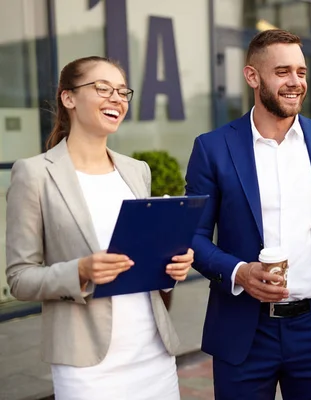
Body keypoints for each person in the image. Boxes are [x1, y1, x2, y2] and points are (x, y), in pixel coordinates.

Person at [185, 29, 311, 399]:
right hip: (243, 331)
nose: (295, 82)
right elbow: (193, 237)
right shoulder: (212, 148)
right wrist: (239, 272)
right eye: (283, 71)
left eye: (301, 72)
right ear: (253, 76)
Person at [5, 56, 193, 400]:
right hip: (86, 364)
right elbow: (19, 278)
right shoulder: (33, 174)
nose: (117, 99)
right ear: (69, 98)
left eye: (123, 92)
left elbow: (145, 257)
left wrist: (174, 262)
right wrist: (80, 271)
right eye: (103, 89)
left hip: (152, 350)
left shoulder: (137, 170)